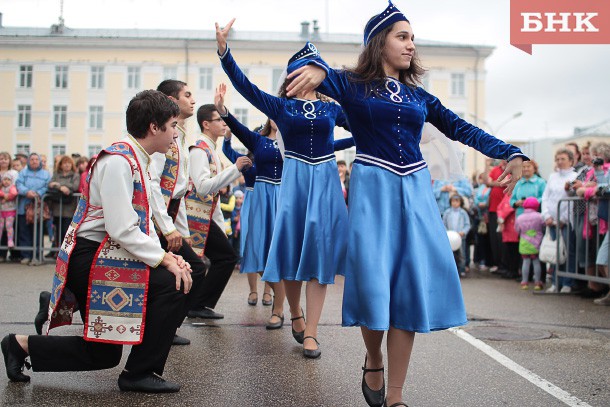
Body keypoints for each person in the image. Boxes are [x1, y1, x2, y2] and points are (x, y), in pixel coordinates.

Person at [282, 1, 527, 404]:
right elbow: (306, 57)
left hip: (413, 190)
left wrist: (509, 151)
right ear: (379, 43)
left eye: (413, 37)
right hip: (372, 194)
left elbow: (461, 127)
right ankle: (373, 358)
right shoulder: (352, 85)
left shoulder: (419, 96)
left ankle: (395, 395)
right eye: (402, 36)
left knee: (408, 289)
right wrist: (319, 68)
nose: (411, 44)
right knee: (374, 284)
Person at [1, 89, 195, 393]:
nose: (175, 134)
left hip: (108, 253)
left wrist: (167, 256)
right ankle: (138, 373)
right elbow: (122, 228)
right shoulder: (120, 160)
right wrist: (165, 258)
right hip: (93, 256)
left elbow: (135, 226)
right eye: (172, 125)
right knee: (169, 286)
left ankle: (20, 346)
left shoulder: (135, 157)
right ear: (154, 127)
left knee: (105, 351)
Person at [216, 23, 354, 358]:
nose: (304, 78)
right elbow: (245, 87)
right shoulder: (281, 108)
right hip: (293, 184)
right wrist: (224, 53)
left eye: (311, 72)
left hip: (324, 183)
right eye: (298, 73)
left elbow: (361, 124)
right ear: (290, 77)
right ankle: (295, 312)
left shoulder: (332, 108)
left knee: (320, 257)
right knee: (292, 254)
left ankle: (312, 333)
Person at [215, 84, 287, 329]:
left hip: (279, 200)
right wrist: (224, 114)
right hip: (255, 201)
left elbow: (327, 148)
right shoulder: (251, 155)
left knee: (274, 250)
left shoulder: (288, 145)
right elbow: (231, 144)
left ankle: (275, 297)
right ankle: (259, 291)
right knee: (253, 248)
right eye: (272, 116)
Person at [149, 79, 209, 345]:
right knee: (189, 269)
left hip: (171, 214)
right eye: (187, 95)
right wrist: (166, 226)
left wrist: (180, 229)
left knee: (184, 269)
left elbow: (179, 187)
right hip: (156, 217)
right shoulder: (164, 135)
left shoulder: (180, 134)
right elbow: (155, 184)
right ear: (172, 100)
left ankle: (165, 327)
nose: (193, 100)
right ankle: (163, 329)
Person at [186, 104, 251, 320]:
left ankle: (198, 303)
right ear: (206, 124)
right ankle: (197, 304)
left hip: (204, 215)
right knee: (224, 257)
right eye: (218, 120)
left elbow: (212, 196)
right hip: (192, 216)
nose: (224, 123)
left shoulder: (211, 149)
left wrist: (220, 225)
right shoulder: (199, 150)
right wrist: (235, 168)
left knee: (224, 256)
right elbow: (204, 187)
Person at [222, 138, 274, 307]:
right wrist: (227, 138)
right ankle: (253, 290)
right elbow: (227, 151)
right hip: (251, 204)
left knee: (269, 249)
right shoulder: (246, 161)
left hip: (270, 203)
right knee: (250, 247)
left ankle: (269, 291)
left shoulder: (275, 158)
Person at [542, 148, 577, 293]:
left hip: (566, 222)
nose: (560, 162)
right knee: (555, 253)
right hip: (552, 221)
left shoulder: (575, 176)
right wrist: (546, 216)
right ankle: (556, 283)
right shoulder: (552, 176)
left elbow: (573, 200)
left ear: (570, 160)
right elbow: (545, 197)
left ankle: (567, 283)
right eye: (558, 159)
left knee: (568, 251)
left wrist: (564, 219)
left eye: (563, 159)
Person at [15, 153, 51, 265]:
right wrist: (27, 192)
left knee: (38, 232)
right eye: (32, 159)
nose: (34, 161)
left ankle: (37, 255)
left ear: (40, 161)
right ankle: (26, 255)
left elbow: (47, 186)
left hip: (38, 207)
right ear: (28, 161)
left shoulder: (46, 174)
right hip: (24, 206)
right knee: (24, 232)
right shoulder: (23, 173)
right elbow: (18, 184)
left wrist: (38, 193)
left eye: (36, 159)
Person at [47, 155, 80, 255]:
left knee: (66, 231)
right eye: (64, 163)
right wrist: (61, 187)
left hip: (69, 208)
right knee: (57, 231)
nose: (67, 165)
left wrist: (58, 185)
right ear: (60, 165)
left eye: (69, 163)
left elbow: (75, 186)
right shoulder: (56, 174)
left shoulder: (75, 175)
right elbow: (50, 184)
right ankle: (57, 252)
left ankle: (66, 253)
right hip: (57, 208)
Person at [515, 197, 545, 290]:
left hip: (524, 242)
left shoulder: (520, 217)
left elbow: (517, 229)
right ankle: (537, 282)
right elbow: (543, 226)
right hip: (536, 242)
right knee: (536, 262)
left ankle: (524, 282)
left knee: (526, 262)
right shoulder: (539, 216)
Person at [443, 194, 471, 277]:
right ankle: (451, 270)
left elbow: (467, 224)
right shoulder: (447, 212)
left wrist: (463, 232)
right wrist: (446, 232)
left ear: (460, 202)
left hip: (460, 238)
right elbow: (443, 223)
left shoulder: (463, 213)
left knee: (462, 254)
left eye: (457, 201)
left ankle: (461, 269)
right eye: (453, 201)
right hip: (450, 238)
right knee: (450, 255)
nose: (455, 203)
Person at [0, 151, 18, 262]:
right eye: (1, 158)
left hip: (9, 206)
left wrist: (7, 196)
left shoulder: (13, 173)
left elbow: (15, 188)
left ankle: (7, 253)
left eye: (5, 159)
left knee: (8, 228)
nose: (3, 161)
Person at [0, 173, 18, 250]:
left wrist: (6, 197)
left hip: (10, 210)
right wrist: (4, 195)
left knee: (9, 226)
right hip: (1, 211)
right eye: (5, 179)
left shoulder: (12, 187)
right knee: (0, 227)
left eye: (8, 180)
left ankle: (10, 240)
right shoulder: (1, 187)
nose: (6, 181)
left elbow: (14, 193)